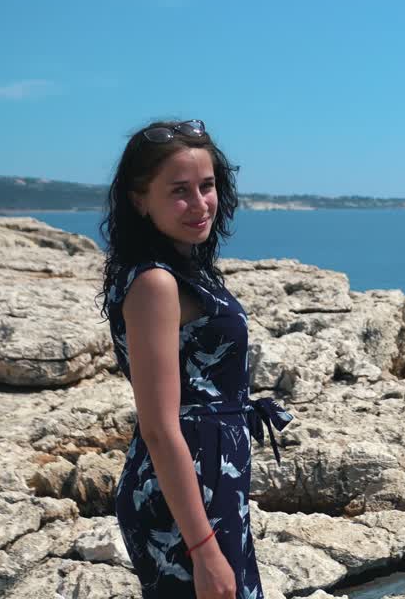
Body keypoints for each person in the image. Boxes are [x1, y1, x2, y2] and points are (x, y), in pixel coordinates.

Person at [97, 118, 293, 599]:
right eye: (179, 191)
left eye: (207, 185)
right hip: (182, 503)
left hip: (209, 487)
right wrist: (203, 549)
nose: (201, 203)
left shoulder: (185, 268)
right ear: (140, 199)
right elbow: (159, 428)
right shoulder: (156, 283)